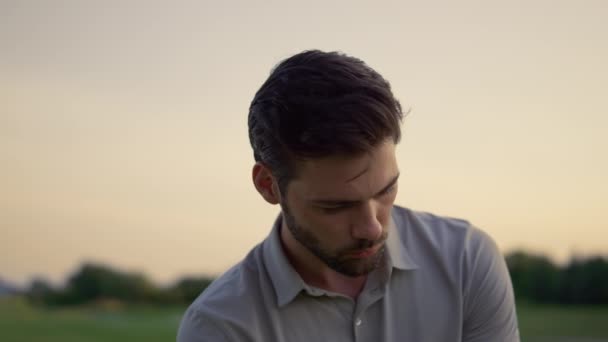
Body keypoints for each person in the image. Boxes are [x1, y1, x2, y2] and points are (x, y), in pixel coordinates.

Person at [177, 50, 520, 341]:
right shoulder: (220, 326)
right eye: (336, 206)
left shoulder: (466, 261)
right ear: (268, 185)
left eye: (386, 190)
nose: (371, 228)